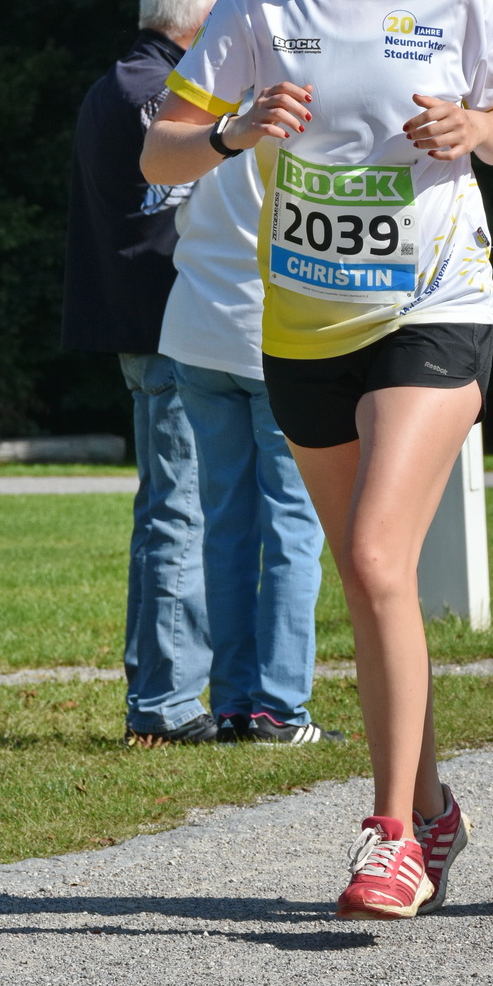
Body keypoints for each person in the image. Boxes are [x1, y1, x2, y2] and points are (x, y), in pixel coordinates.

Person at [141, 0, 493, 918]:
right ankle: (433, 801)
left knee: (372, 559)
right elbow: (159, 156)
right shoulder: (258, 0)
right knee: (373, 588)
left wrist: (477, 125)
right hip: (307, 321)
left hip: (436, 302)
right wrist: (231, 128)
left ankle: (390, 835)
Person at [62, 0, 226, 745]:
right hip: (169, 325)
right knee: (179, 511)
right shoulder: (155, 94)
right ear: (196, 22)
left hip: (146, 322)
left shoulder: (116, 83)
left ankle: (163, 692)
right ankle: (164, 701)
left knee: (170, 505)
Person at [158, 148, 343, 745]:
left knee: (227, 526)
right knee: (294, 525)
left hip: (195, 326)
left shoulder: (201, 114)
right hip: (276, 332)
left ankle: (234, 705)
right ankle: (281, 711)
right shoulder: (301, 111)